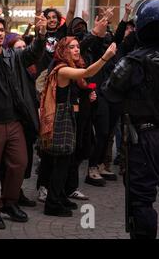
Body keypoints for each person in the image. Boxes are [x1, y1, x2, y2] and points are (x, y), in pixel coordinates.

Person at [0, 12, 47, 229]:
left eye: (1, 30)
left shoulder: (13, 55)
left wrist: (41, 35)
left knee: (20, 162)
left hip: (14, 122)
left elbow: (33, 54)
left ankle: (10, 202)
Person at [102, 0, 159, 239]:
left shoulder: (133, 61)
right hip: (146, 136)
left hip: (144, 138)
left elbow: (109, 90)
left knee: (141, 202)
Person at [39, 37, 116, 216]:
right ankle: (52, 204)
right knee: (61, 161)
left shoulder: (69, 67)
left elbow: (84, 81)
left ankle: (59, 196)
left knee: (66, 161)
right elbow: (87, 73)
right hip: (61, 118)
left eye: (78, 47)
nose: (76, 50)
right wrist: (106, 57)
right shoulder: (62, 69)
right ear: (63, 50)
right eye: (71, 47)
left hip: (68, 116)